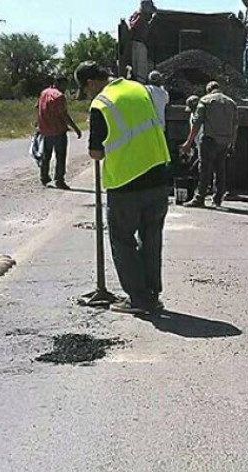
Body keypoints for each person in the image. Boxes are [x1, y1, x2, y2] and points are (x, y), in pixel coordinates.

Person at [76, 61, 171, 315]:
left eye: (85, 90)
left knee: (123, 240)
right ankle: (151, 293)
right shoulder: (139, 89)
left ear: (91, 83)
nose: (88, 95)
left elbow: (96, 152)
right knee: (152, 238)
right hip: (159, 175)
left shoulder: (101, 104)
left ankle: (138, 298)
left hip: (127, 182)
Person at [181, 81, 237, 209]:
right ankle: (218, 199)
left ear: (209, 90)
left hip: (209, 140)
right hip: (224, 141)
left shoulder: (205, 100)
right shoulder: (231, 103)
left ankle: (199, 198)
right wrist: (232, 143)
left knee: (204, 169)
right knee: (220, 169)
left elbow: (197, 123)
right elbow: (235, 125)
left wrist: (188, 142)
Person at [36, 76, 82, 189]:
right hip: (58, 130)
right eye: (65, 85)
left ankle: (44, 177)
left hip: (46, 130)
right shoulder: (59, 96)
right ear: (60, 84)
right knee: (60, 156)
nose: (65, 88)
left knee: (46, 155)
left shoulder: (44, 93)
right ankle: (59, 180)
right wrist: (76, 128)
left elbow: (37, 107)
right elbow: (64, 115)